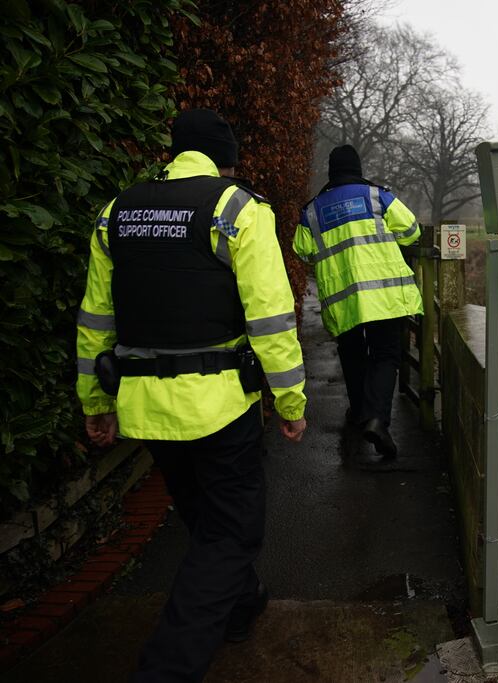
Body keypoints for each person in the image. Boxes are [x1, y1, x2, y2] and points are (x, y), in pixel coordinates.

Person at [75, 109, 308, 681]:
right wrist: (291, 401)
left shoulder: (116, 213)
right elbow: (272, 320)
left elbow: (95, 319)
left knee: (206, 518)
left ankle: (242, 604)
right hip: (218, 407)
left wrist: (95, 403)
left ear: (174, 154)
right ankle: (167, 668)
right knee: (232, 531)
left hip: (141, 407)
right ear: (226, 161)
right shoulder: (237, 210)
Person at [293, 145, 422, 459]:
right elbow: (411, 231)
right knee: (385, 354)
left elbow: (302, 249)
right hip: (384, 294)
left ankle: (362, 413)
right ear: (358, 167)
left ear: (331, 171)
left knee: (351, 353)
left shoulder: (312, 210)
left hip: (343, 300)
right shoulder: (378, 197)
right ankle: (377, 418)